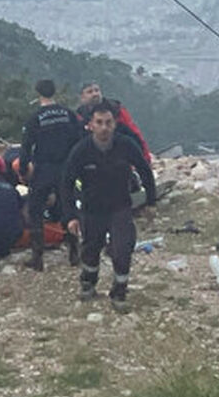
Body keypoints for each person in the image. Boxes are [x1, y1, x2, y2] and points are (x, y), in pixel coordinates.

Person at [62, 101, 156, 311]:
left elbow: (145, 171)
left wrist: (151, 201)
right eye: (99, 122)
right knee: (91, 250)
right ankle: (88, 283)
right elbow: (66, 183)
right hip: (91, 209)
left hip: (120, 207)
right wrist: (70, 216)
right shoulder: (81, 150)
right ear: (90, 125)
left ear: (114, 124)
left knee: (122, 250)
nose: (104, 127)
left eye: (108, 122)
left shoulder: (126, 145)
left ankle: (119, 293)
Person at [18, 79, 85, 271]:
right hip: (66, 168)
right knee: (68, 207)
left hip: (43, 169)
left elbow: (25, 148)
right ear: (54, 92)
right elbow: (79, 141)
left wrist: (23, 171)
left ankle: (37, 257)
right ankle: (74, 251)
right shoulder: (68, 114)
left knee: (35, 211)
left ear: (38, 93)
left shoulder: (35, 118)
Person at [76, 82, 152, 162]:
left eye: (97, 90)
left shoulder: (116, 109)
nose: (95, 94)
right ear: (82, 96)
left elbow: (134, 133)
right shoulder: (80, 116)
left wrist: (145, 157)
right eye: (90, 92)